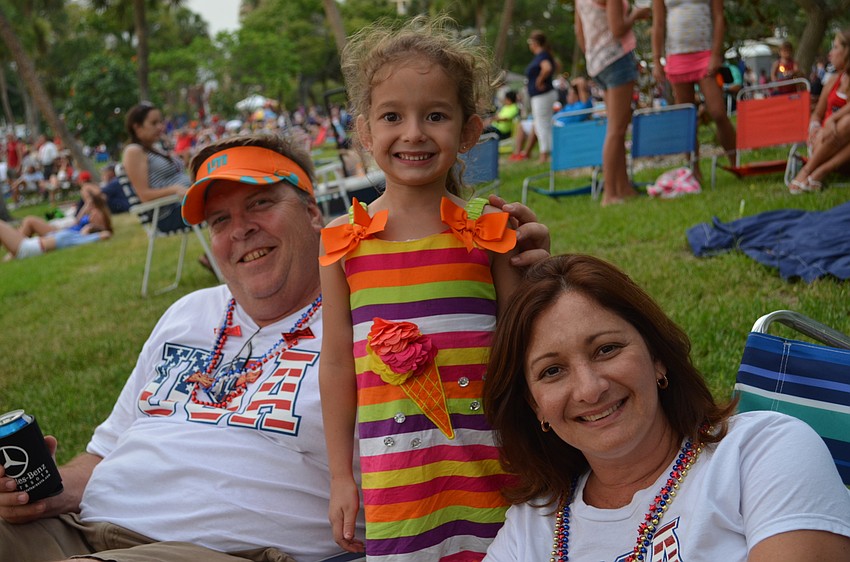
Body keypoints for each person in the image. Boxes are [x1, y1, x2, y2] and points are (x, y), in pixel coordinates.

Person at [0, 131, 550, 561]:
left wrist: (527, 287)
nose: (239, 230)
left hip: (224, 552)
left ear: (314, 213)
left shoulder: (381, 314)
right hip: (76, 529)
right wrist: (43, 492)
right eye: (220, 220)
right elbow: (102, 454)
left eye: (260, 205)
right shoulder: (186, 314)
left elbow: (514, 396)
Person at [481, 253, 850, 561]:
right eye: (553, 371)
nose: (590, 390)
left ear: (657, 357)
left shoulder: (761, 453)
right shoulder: (533, 527)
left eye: (606, 349)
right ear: (536, 405)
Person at [319, 16, 523, 559]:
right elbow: (338, 364)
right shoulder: (342, 242)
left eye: (435, 115)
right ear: (365, 132)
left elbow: (524, 341)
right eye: (392, 116)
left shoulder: (488, 230)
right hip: (397, 484)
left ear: (469, 131)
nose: (413, 133)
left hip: (493, 463)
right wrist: (343, 477)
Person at [576, 0, 650, 206]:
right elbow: (618, 28)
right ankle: (610, 194)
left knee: (616, 128)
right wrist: (636, 15)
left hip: (597, 64)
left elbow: (580, 33)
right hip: (617, 59)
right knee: (616, 130)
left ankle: (624, 188)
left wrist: (593, 56)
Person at [652, 0, 737, 176]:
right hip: (676, 56)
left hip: (704, 54)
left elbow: (719, 17)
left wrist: (715, 54)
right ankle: (694, 171)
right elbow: (658, 24)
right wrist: (656, 60)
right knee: (686, 119)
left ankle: (736, 162)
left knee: (718, 113)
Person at [789, 29, 850, 193]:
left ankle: (813, 171)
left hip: (843, 147)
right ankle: (815, 171)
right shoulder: (832, 81)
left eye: (835, 48)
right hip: (822, 144)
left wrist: (832, 119)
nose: (830, 53)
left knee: (848, 122)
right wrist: (815, 127)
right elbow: (817, 113)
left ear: (847, 51)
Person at [121, 102, 191, 233]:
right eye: (154, 123)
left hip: (180, 205)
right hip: (167, 215)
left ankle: (214, 253)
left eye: (161, 122)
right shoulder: (134, 151)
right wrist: (175, 189)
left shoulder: (154, 148)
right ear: (137, 127)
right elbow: (144, 195)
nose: (160, 127)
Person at [0, 191, 111, 261]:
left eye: (97, 215)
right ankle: (8, 258)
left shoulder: (79, 238)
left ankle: (9, 257)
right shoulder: (76, 236)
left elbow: (105, 234)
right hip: (30, 244)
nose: (93, 214)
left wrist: (90, 232)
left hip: (27, 248)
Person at [523, 30, 558, 163]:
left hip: (542, 96)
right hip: (543, 95)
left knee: (542, 125)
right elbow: (556, 65)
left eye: (530, 42)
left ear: (536, 43)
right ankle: (551, 152)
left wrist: (539, 80)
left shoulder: (542, 56)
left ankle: (544, 155)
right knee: (544, 124)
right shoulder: (545, 55)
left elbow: (547, 68)